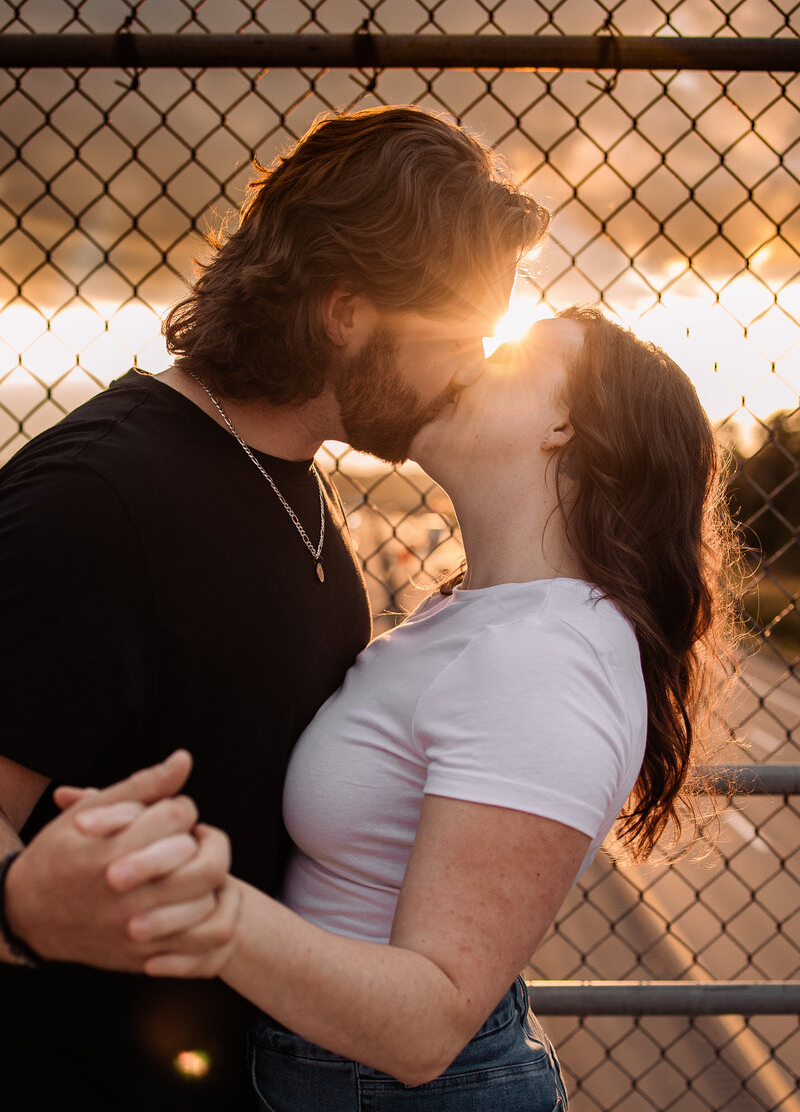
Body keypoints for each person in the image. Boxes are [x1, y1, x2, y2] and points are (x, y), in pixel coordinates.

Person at [0, 106, 549, 1110]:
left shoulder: (293, 475)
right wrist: (20, 901)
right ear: (345, 312)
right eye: (462, 334)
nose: (471, 365)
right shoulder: (95, 503)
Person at [57, 307, 739, 1109]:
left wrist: (206, 902)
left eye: (513, 355)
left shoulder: (548, 656)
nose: (470, 358)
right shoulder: (489, 614)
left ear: (565, 424)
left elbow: (427, 1024)